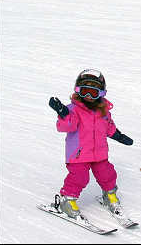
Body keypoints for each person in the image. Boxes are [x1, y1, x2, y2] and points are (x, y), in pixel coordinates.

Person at [48, 69, 133, 218]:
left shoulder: (103, 111)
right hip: (79, 154)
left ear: (101, 93)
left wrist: (119, 136)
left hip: (99, 153)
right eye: (85, 91)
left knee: (107, 174)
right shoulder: (72, 110)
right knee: (79, 177)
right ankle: (67, 200)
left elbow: (109, 127)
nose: (88, 96)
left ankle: (109, 195)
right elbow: (67, 126)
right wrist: (63, 113)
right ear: (77, 90)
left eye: (93, 93)